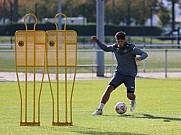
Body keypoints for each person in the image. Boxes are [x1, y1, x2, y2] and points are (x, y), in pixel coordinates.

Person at [91, 31, 148, 116]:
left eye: (121, 41)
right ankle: (100, 109)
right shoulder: (115, 47)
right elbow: (106, 48)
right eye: (118, 41)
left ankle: (133, 99)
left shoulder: (131, 48)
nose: (119, 43)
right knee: (109, 88)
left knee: (129, 95)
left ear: (124, 40)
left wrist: (140, 58)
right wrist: (97, 41)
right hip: (119, 74)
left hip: (130, 75)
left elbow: (145, 54)